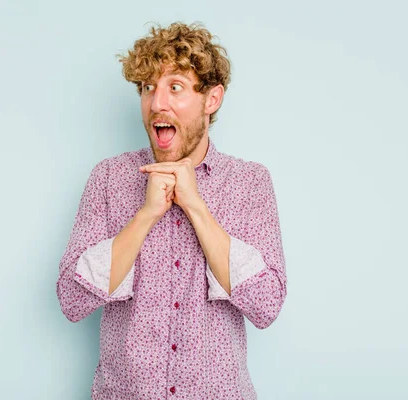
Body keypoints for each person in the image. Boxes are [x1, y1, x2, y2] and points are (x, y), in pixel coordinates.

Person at [56, 21, 287, 399]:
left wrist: (196, 207)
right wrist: (146, 214)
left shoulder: (250, 184)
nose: (156, 103)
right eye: (147, 88)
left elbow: (266, 305)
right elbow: (72, 299)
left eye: (174, 87)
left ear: (212, 99)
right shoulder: (109, 178)